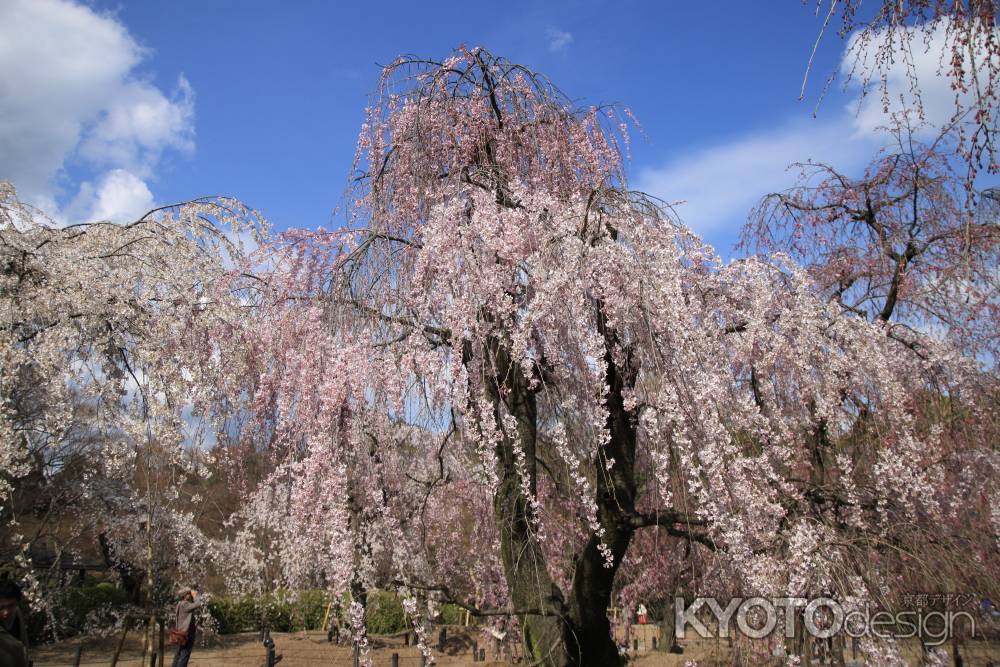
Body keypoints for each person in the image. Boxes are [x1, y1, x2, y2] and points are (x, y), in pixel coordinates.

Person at [171, 586, 205, 667]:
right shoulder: (185, 604)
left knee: (178, 654)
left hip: (180, 633)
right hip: (186, 634)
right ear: (185, 595)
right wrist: (195, 596)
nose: (191, 594)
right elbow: (198, 604)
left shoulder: (180, 604)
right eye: (189, 593)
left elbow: (193, 605)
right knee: (184, 656)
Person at [0, 580, 27, 667]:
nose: (6, 612)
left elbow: (24, 643)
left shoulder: (17, 615)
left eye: (11, 606)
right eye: (1, 608)